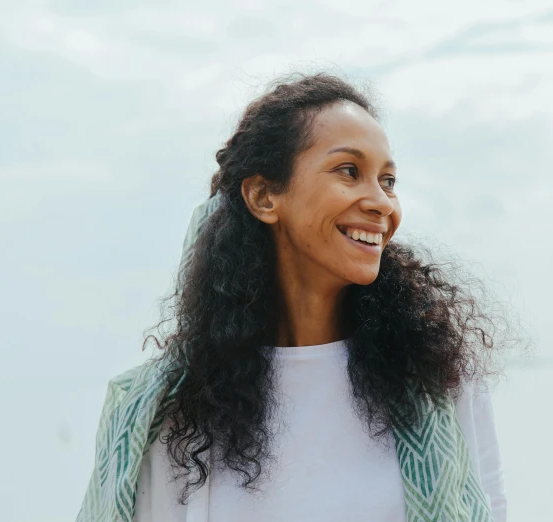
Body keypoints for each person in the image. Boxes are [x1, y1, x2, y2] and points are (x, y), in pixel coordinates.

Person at [77, 73, 506, 522]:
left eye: (389, 180)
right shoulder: (166, 411)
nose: (382, 202)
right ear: (264, 196)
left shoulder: (437, 379)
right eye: (349, 171)